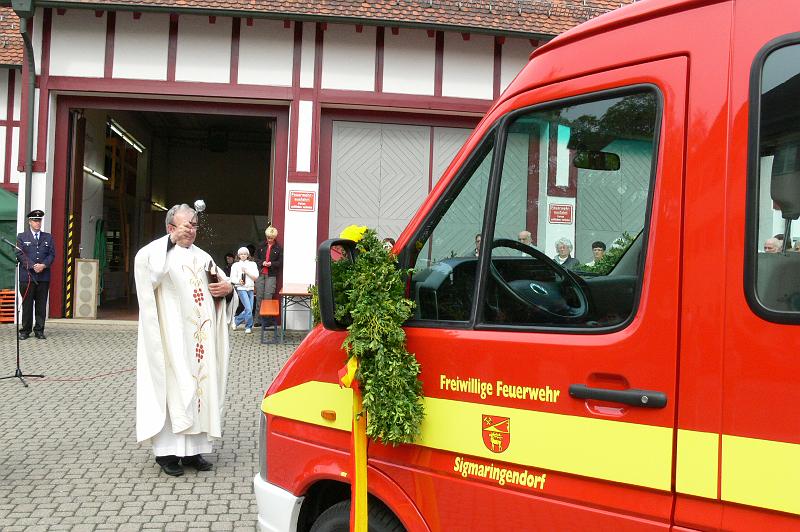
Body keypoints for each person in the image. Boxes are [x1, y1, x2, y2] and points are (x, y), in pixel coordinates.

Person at [134, 204, 235, 477]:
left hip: (200, 341)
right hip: (172, 337)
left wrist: (227, 290)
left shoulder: (204, 257)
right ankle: (167, 454)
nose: (191, 229)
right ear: (170, 228)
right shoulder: (157, 254)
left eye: (194, 225)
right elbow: (146, 277)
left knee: (200, 389)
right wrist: (169, 243)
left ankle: (194, 451)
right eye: (185, 225)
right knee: (174, 389)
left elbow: (224, 286)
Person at [15, 209, 56, 340]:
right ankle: (25, 330)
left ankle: (39, 330)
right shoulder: (22, 237)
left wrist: (43, 265)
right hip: (27, 277)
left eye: (39, 220)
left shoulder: (48, 237)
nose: (38, 223)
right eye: (35, 220)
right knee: (27, 304)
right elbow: (19, 254)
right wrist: (33, 266)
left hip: (43, 277)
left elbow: (51, 254)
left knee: (41, 304)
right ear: (29, 222)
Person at [255, 226, 283, 327]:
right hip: (261, 273)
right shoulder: (261, 245)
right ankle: (257, 320)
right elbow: (256, 259)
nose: (269, 239)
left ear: (274, 237)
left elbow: (280, 262)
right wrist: (262, 262)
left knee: (268, 297)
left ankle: (265, 321)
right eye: (268, 237)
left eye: (271, 238)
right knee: (259, 296)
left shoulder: (278, 248)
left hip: (271, 275)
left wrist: (271, 264)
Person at [230, 247, 259, 334]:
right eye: (241, 254)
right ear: (238, 255)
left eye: (245, 254)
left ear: (247, 255)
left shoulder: (253, 264)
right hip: (241, 288)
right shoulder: (235, 265)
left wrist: (247, 272)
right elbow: (232, 278)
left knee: (249, 309)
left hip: (250, 288)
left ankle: (235, 321)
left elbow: (256, 277)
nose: (243, 255)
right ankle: (248, 327)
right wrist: (238, 281)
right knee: (248, 309)